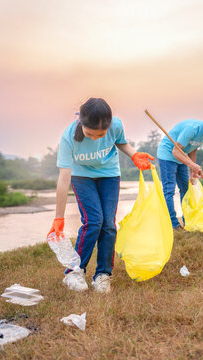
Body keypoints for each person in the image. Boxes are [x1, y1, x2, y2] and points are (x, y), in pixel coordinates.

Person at [48, 98, 154, 294]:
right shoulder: (68, 136)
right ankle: (74, 272)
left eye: (101, 135)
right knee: (94, 221)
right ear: (81, 123)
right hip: (81, 177)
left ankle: (103, 275)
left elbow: (121, 143)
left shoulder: (116, 125)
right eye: (90, 134)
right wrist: (58, 217)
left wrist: (133, 155)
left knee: (109, 225)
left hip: (109, 175)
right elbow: (64, 179)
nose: (95, 138)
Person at [157, 117, 203, 230]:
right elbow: (175, 151)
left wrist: (193, 172)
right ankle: (174, 224)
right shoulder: (192, 129)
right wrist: (192, 165)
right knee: (169, 190)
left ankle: (188, 222)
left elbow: (193, 149)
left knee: (186, 190)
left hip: (182, 157)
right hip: (168, 155)